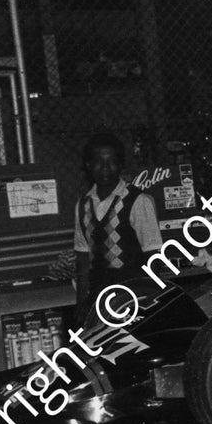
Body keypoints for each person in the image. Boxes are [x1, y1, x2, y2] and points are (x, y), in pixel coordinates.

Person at [73, 131, 163, 318]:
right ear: (88, 165)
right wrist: (81, 304)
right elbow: (82, 260)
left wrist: (148, 304)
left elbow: (153, 257)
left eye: (112, 161)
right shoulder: (82, 205)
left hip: (132, 298)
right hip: (99, 300)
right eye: (98, 161)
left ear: (121, 165)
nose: (105, 168)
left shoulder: (138, 201)